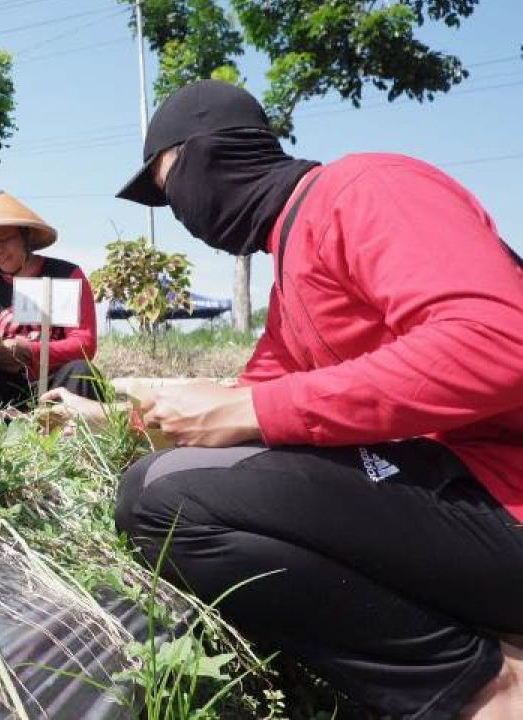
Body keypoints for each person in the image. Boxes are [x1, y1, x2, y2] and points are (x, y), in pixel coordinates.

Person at [44, 80, 523, 718]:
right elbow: (245, 399)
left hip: (503, 495)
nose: (180, 213)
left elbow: (497, 344)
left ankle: (485, 690)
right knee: (170, 487)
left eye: (169, 186)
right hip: (462, 503)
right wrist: (109, 419)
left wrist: (248, 411)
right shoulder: (292, 269)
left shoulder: (365, 189)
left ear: (212, 157)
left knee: (165, 499)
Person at [0, 191, 99, 409]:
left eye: (6, 239)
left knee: (83, 372)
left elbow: (85, 344)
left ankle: (64, 431)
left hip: (57, 385)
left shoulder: (67, 275)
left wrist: (29, 349)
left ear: (26, 237)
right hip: (4, 393)